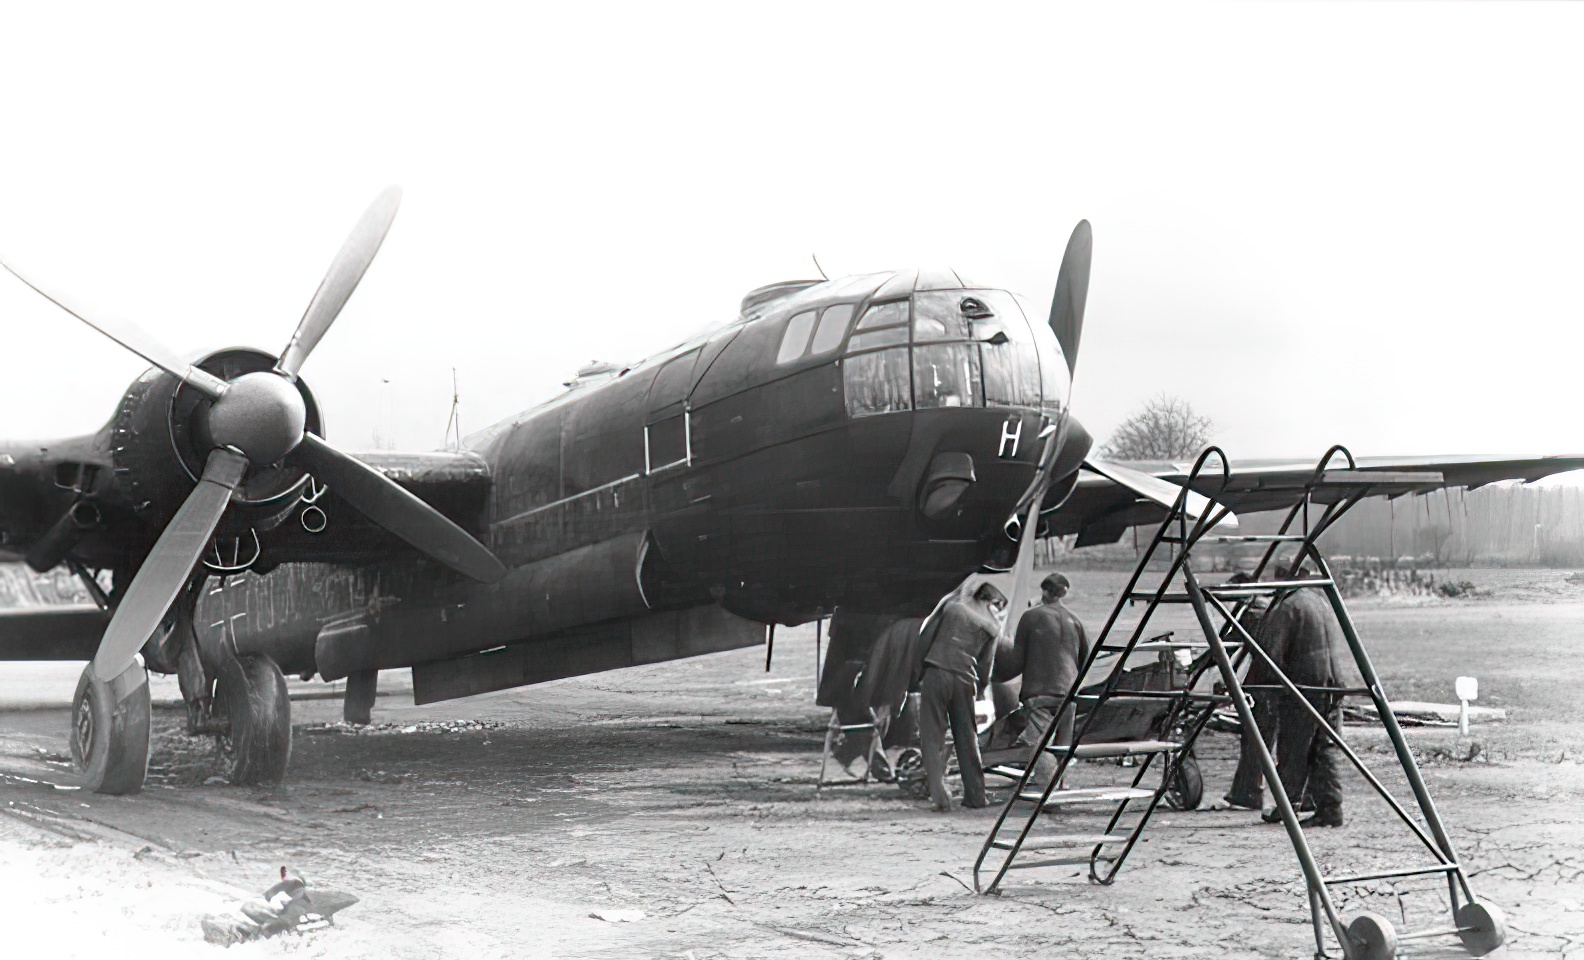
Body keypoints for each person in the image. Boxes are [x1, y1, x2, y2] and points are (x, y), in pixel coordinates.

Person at [1252, 583, 1351, 828]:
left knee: (1293, 748)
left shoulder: (1288, 608)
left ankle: (1288, 806)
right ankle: (1331, 808)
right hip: (1333, 682)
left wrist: (1257, 685)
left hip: (1305, 684)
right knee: (1325, 747)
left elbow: (1270, 655)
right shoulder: (1319, 600)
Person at [913, 582, 1006, 811]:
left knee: (932, 734)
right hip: (965, 679)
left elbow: (925, 636)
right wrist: (981, 689)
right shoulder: (992, 626)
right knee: (967, 736)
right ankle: (976, 796)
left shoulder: (953, 604)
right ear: (994, 601)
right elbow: (986, 665)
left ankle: (940, 796)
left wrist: (919, 670)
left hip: (936, 671)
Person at [997, 573, 1090, 787]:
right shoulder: (1075, 621)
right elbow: (1086, 659)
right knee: (1063, 747)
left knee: (1038, 744)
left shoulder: (1031, 617)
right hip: (1069, 694)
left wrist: (997, 675)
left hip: (1040, 694)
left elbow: (1016, 661)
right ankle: (1060, 787)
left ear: (1044, 591)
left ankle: (1045, 791)